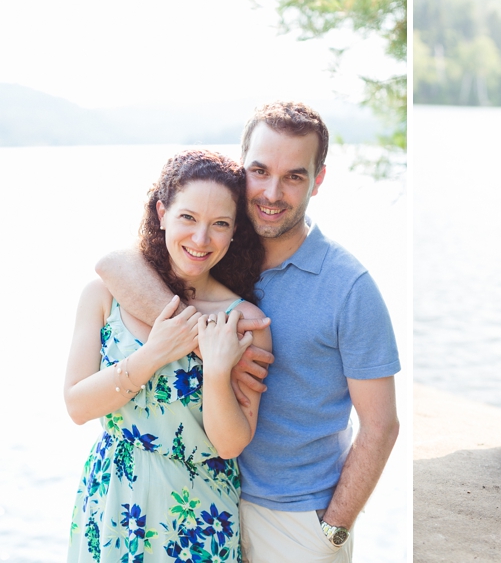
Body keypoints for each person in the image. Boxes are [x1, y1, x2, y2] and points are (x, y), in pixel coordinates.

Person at [95, 101, 401, 563]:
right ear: (242, 170)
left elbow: (381, 426)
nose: (272, 192)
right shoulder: (216, 246)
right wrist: (203, 343)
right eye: (260, 170)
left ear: (318, 180)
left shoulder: (349, 287)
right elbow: (115, 262)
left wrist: (333, 531)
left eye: (294, 176)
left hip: (294, 521)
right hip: (203, 502)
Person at [65, 150, 272, 562]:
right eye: (188, 218)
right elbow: (77, 405)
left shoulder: (244, 323)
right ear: (162, 213)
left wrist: (215, 369)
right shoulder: (105, 295)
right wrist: (155, 353)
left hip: (200, 518)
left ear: (234, 234)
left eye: (219, 225)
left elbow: (230, 445)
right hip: (113, 503)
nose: (200, 239)